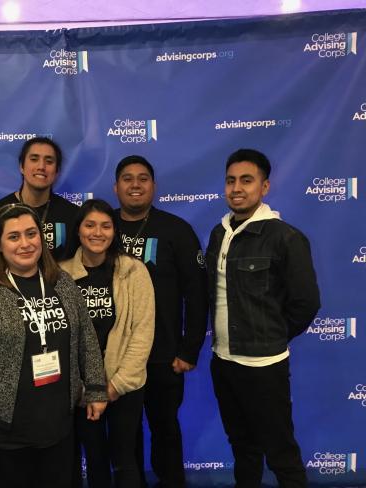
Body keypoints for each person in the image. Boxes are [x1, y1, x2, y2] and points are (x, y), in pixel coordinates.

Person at [0, 203, 108, 488]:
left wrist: (95, 387)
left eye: (31, 234)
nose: (25, 243)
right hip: (8, 430)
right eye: (14, 236)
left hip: (59, 424)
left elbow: (86, 339)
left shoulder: (62, 282)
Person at [206, 149, 320, 488]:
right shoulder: (219, 233)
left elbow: (306, 303)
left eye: (246, 180)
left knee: (281, 452)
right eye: (230, 181)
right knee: (243, 448)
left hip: (264, 367)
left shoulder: (285, 237)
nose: (236, 188)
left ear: (264, 187)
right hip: (223, 361)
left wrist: (272, 336)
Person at [113, 155, 208, 488]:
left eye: (143, 178)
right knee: (126, 435)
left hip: (164, 356)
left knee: (165, 430)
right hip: (116, 359)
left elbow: (197, 294)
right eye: (127, 178)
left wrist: (190, 349)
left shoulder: (176, 230)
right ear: (116, 187)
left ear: (153, 186)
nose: (135, 184)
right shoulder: (101, 228)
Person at [60, 199, 155, 488]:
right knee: (94, 460)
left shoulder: (133, 271)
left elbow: (142, 333)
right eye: (90, 225)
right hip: (80, 392)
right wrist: (88, 391)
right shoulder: (59, 274)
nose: (97, 232)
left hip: (124, 386)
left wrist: (113, 388)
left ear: (114, 232)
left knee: (125, 461)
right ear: (78, 231)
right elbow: (59, 336)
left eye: (105, 225)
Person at [0, 136, 78, 261]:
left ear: (57, 172)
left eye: (49, 161)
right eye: (34, 159)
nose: (41, 166)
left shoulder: (73, 214)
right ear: (21, 167)